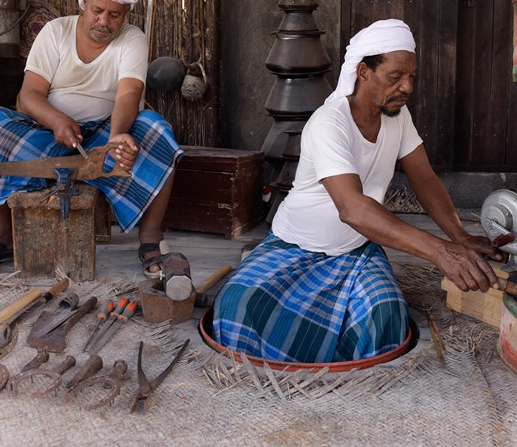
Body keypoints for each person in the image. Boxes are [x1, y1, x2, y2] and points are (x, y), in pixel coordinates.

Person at [213, 19, 502, 363]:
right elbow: (352, 209)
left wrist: (460, 236)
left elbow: (424, 178)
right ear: (363, 72)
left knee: (384, 318)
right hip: (295, 248)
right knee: (238, 307)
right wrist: (440, 252)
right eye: (396, 76)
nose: (407, 86)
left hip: (356, 252)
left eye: (412, 76)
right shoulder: (329, 123)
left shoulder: (399, 117)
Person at [0, 0, 183, 277]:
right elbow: (30, 94)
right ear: (83, 1)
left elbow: (129, 93)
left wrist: (117, 137)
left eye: (114, 15)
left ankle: (151, 237)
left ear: (126, 14)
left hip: (102, 138)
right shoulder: (56, 31)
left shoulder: (132, 39)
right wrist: (56, 120)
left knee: (157, 129)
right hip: (46, 133)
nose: (104, 21)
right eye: (98, 10)